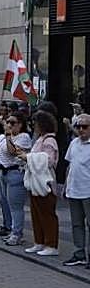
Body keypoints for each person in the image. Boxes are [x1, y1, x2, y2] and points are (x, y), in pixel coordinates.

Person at [0, 112, 32, 246]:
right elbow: (0, 151)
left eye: (12, 123)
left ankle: (17, 233)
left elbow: (11, 151)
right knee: (6, 203)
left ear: (20, 124)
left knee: (16, 207)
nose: (9, 125)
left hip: (15, 173)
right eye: (8, 122)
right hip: (4, 172)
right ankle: (11, 229)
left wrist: (8, 135)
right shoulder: (5, 138)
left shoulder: (23, 137)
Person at [24, 111, 60, 257]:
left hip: (45, 181)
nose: (34, 126)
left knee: (47, 214)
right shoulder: (40, 139)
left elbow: (49, 160)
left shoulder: (49, 140)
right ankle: (39, 240)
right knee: (36, 213)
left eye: (36, 123)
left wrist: (29, 157)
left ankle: (51, 243)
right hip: (35, 181)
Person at [64, 114, 90, 267]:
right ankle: (78, 252)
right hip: (74, 189)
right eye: (78, 127)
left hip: (88, 190)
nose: (81, 130)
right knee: (76, 224)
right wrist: (66, 184)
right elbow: (70, 165)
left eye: (85, 127)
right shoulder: (74, 143)